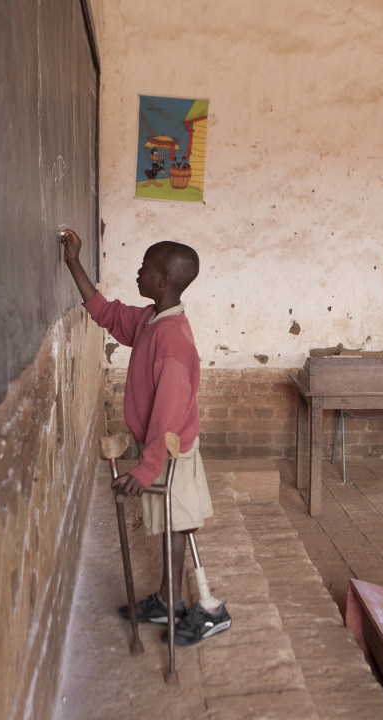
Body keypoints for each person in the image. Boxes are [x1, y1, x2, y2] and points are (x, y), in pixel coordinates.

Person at [61, 228, 231, 645]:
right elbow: (108, 313)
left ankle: (209, 612)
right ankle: (169, 601)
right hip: (161, 448)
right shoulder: (152, 319)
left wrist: (146, 467)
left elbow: (169, 417)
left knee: (177, 525)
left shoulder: (172, 341)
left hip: (172, 450)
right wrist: (73, 263)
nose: (137, 273)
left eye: (144, 268)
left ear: (163, 279)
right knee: (174, 523)